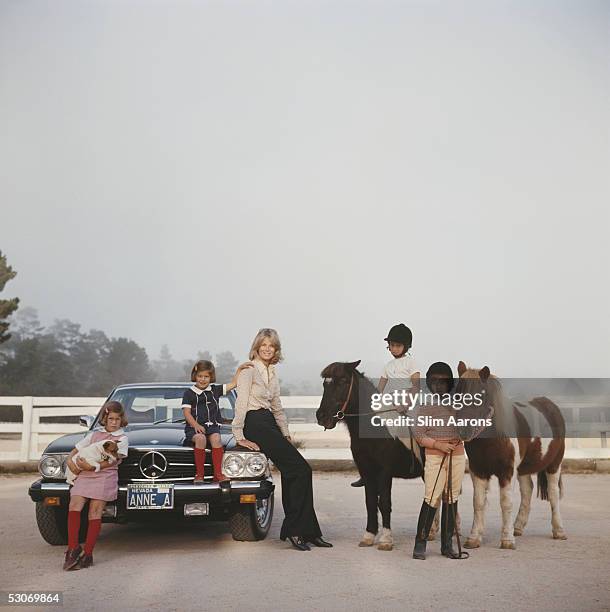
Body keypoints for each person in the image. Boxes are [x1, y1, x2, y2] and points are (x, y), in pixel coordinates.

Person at [232, 328, 332, 551]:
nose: (267, 349)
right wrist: (239, 434)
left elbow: (276, 406)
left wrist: (285, 432)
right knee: (300, 469)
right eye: (264, 345)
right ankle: (295, 530)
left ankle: (309, 531)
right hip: (254, 422)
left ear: (276, 349)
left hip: (268, 422)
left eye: (272, 345)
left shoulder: (273, 372)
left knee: (297, 471)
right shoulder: (248, 370)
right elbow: (241, 404)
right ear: (257, 347)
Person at [411, 362, 492, 560]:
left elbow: (469, 431)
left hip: (456, 455)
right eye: (434, 383)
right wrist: (439, 445)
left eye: (443, 383)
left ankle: (447, 545)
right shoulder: (425, 406)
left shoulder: (459, 404)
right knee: (431, 496)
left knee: (452, 497)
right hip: (435, 456)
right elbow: (419, 434)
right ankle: (419, 544)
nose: (438, 386)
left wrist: (487, 416)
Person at [351, 323, 420, 487]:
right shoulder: (387, 366)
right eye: (392, 345)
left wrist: (406, 404)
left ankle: (419, 460)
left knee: (416, 430)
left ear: (406, 346)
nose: (394, 348)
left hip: (408, 402)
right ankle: (366, 471)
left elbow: (416, 386)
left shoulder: (411, 363)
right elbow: (379, 390)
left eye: (398, 345)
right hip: (392, 403)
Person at [63, 401, 129, 570]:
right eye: (111, 418)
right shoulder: (94, 435)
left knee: (95, 511)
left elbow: (114, 460)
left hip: (104, 475)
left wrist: (94, 467)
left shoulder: (122, 439)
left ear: (122, 420)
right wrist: (70, 461)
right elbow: (77, 448)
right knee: (74, 504)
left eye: (117, 419)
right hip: (85, 474)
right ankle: (72, 548)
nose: (114, 422)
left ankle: (88, 553)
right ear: (105, 418)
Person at [182, 359, 253, 483]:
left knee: (216, 438)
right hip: (194, 428)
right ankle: (199, 474)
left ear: (211, 377)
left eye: (206, 376)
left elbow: (234, 384)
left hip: (212, 427)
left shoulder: (215, 390)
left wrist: (239, 369)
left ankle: (218, 474)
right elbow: (186, 413)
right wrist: (196, 425)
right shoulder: (189, 393)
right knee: (201, 438)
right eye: (200, 376)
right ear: (195, 376)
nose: (202, 379)